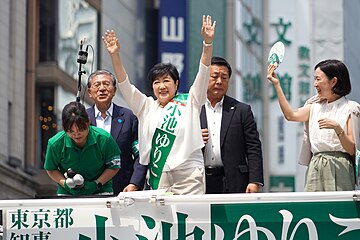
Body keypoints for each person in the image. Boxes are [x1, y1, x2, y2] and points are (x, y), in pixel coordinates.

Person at [102, 15, 216, 194]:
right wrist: (115, 55)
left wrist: (207, 44)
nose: (161, 86)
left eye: (166, 81)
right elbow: (125, 84)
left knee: (191, 219)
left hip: (188, 173)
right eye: (156, 82)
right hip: (158, 174)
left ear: (176, 84)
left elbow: (203, 72)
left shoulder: (191, 100)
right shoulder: (146, 106)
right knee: (163, 221)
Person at [267, 59, 360, 191]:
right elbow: (290, 115)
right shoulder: (314, 106)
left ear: (333, 81)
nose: (315, 84)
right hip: (316, 164)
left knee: (338, 209)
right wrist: (277, 85)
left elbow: (352, 149)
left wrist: (338, 129)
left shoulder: (351, 108)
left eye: (318, 79)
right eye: (314, 79)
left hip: (340, 166)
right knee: (312, 208)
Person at [200, 56, 264, 193]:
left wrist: (254, 180)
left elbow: (253, 147)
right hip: (199, 180)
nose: (219, 82)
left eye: (224, 78)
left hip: (233, 181)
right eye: (214, 76)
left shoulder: (242, 110)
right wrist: (193, 138)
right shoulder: (192, 108)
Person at [87, 69, 147, 194]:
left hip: (123, 190)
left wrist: (134, 183)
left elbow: (140, 154)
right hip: (90, 190)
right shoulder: (82, 118)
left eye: (106, 84)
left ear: (114, 91)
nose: (102, 88)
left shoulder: (129, 117)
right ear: (89, 92)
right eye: (97, 85)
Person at [44, 101, 121, 196]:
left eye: (81, 129)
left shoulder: (104, 139)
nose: (76, 134)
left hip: (101, 190)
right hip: (67, 193)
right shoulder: (55, 143)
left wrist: (96, 184)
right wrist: (65, 184)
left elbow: (114, 166)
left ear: (88, 122)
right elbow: (51, 169)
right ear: (64, 128)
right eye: (71, 131)